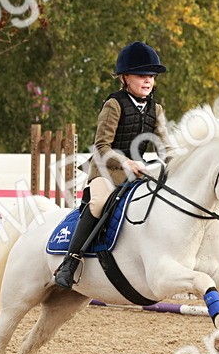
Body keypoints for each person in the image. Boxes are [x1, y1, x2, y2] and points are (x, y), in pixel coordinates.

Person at [53, 41, 174, 289]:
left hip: (137, 174)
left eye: (151, 76)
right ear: (125, 78)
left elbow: (165, 147)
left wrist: (179, 163)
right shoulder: (114, 104)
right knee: (98, 203)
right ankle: (70, 262)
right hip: (106, 170)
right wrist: (126, 162)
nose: (148, 80)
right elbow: (101, 146)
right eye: (141, 75)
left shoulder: (157, 109)